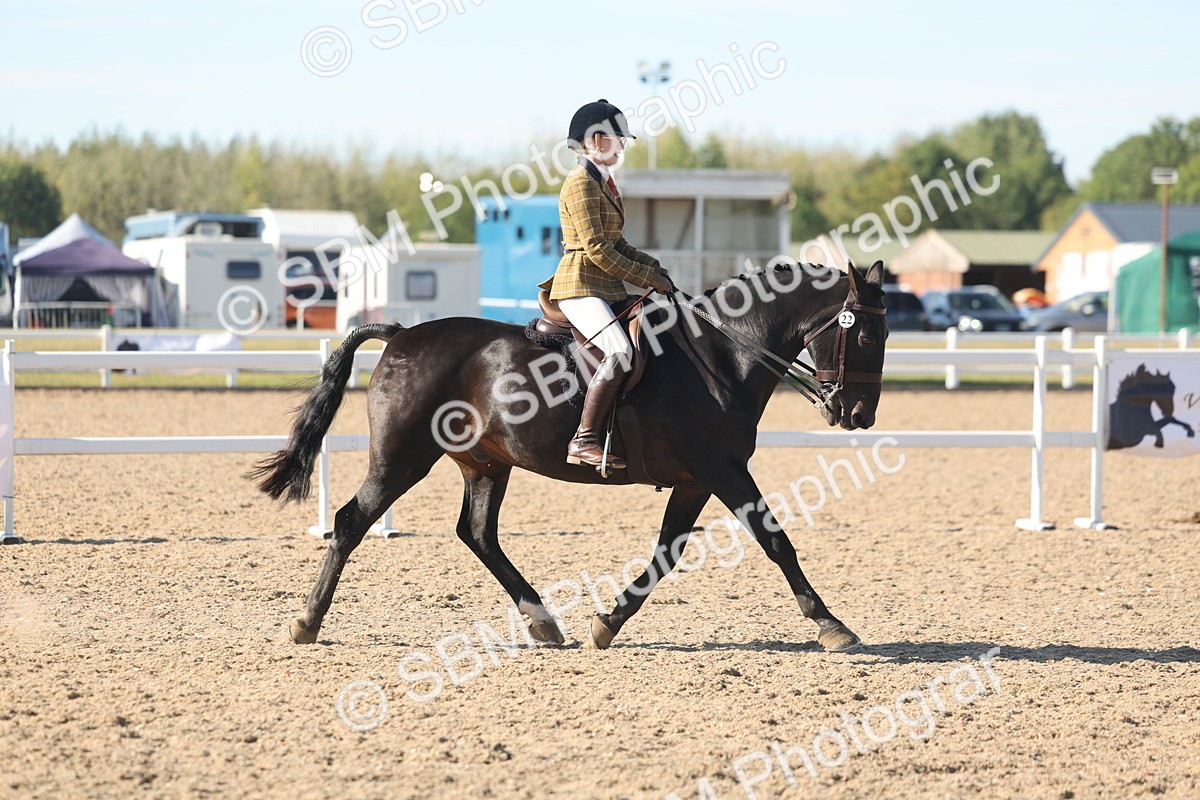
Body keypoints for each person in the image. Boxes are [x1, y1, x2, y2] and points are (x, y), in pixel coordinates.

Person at [538, 99, 673, 469]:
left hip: (604, 286)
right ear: (597, 140)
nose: (623, 146)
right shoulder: (580, 184)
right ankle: (583, 440)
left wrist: (654, 268)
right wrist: (646, 278)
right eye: (619, 139)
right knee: (619, 352)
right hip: (579, 285)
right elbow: (597, 249)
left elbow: (618, 243)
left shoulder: (604, 182)